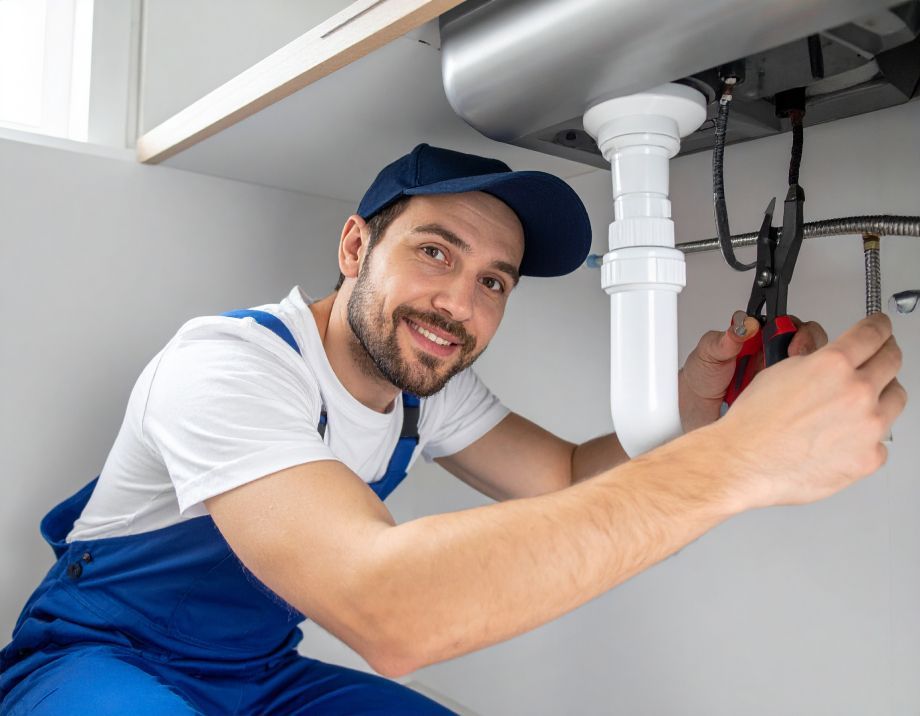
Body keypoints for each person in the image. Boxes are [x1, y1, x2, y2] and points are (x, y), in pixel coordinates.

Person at [0, 144, 905, 715]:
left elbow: (561, 477)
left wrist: (690, 414)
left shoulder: (425, 390)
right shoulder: (229, 365)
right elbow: (388, 612)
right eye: (435, 251)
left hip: (259, 677)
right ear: (356, 248)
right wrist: (737, 464)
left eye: (494, 281)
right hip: (101, 663)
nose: (458, 305)